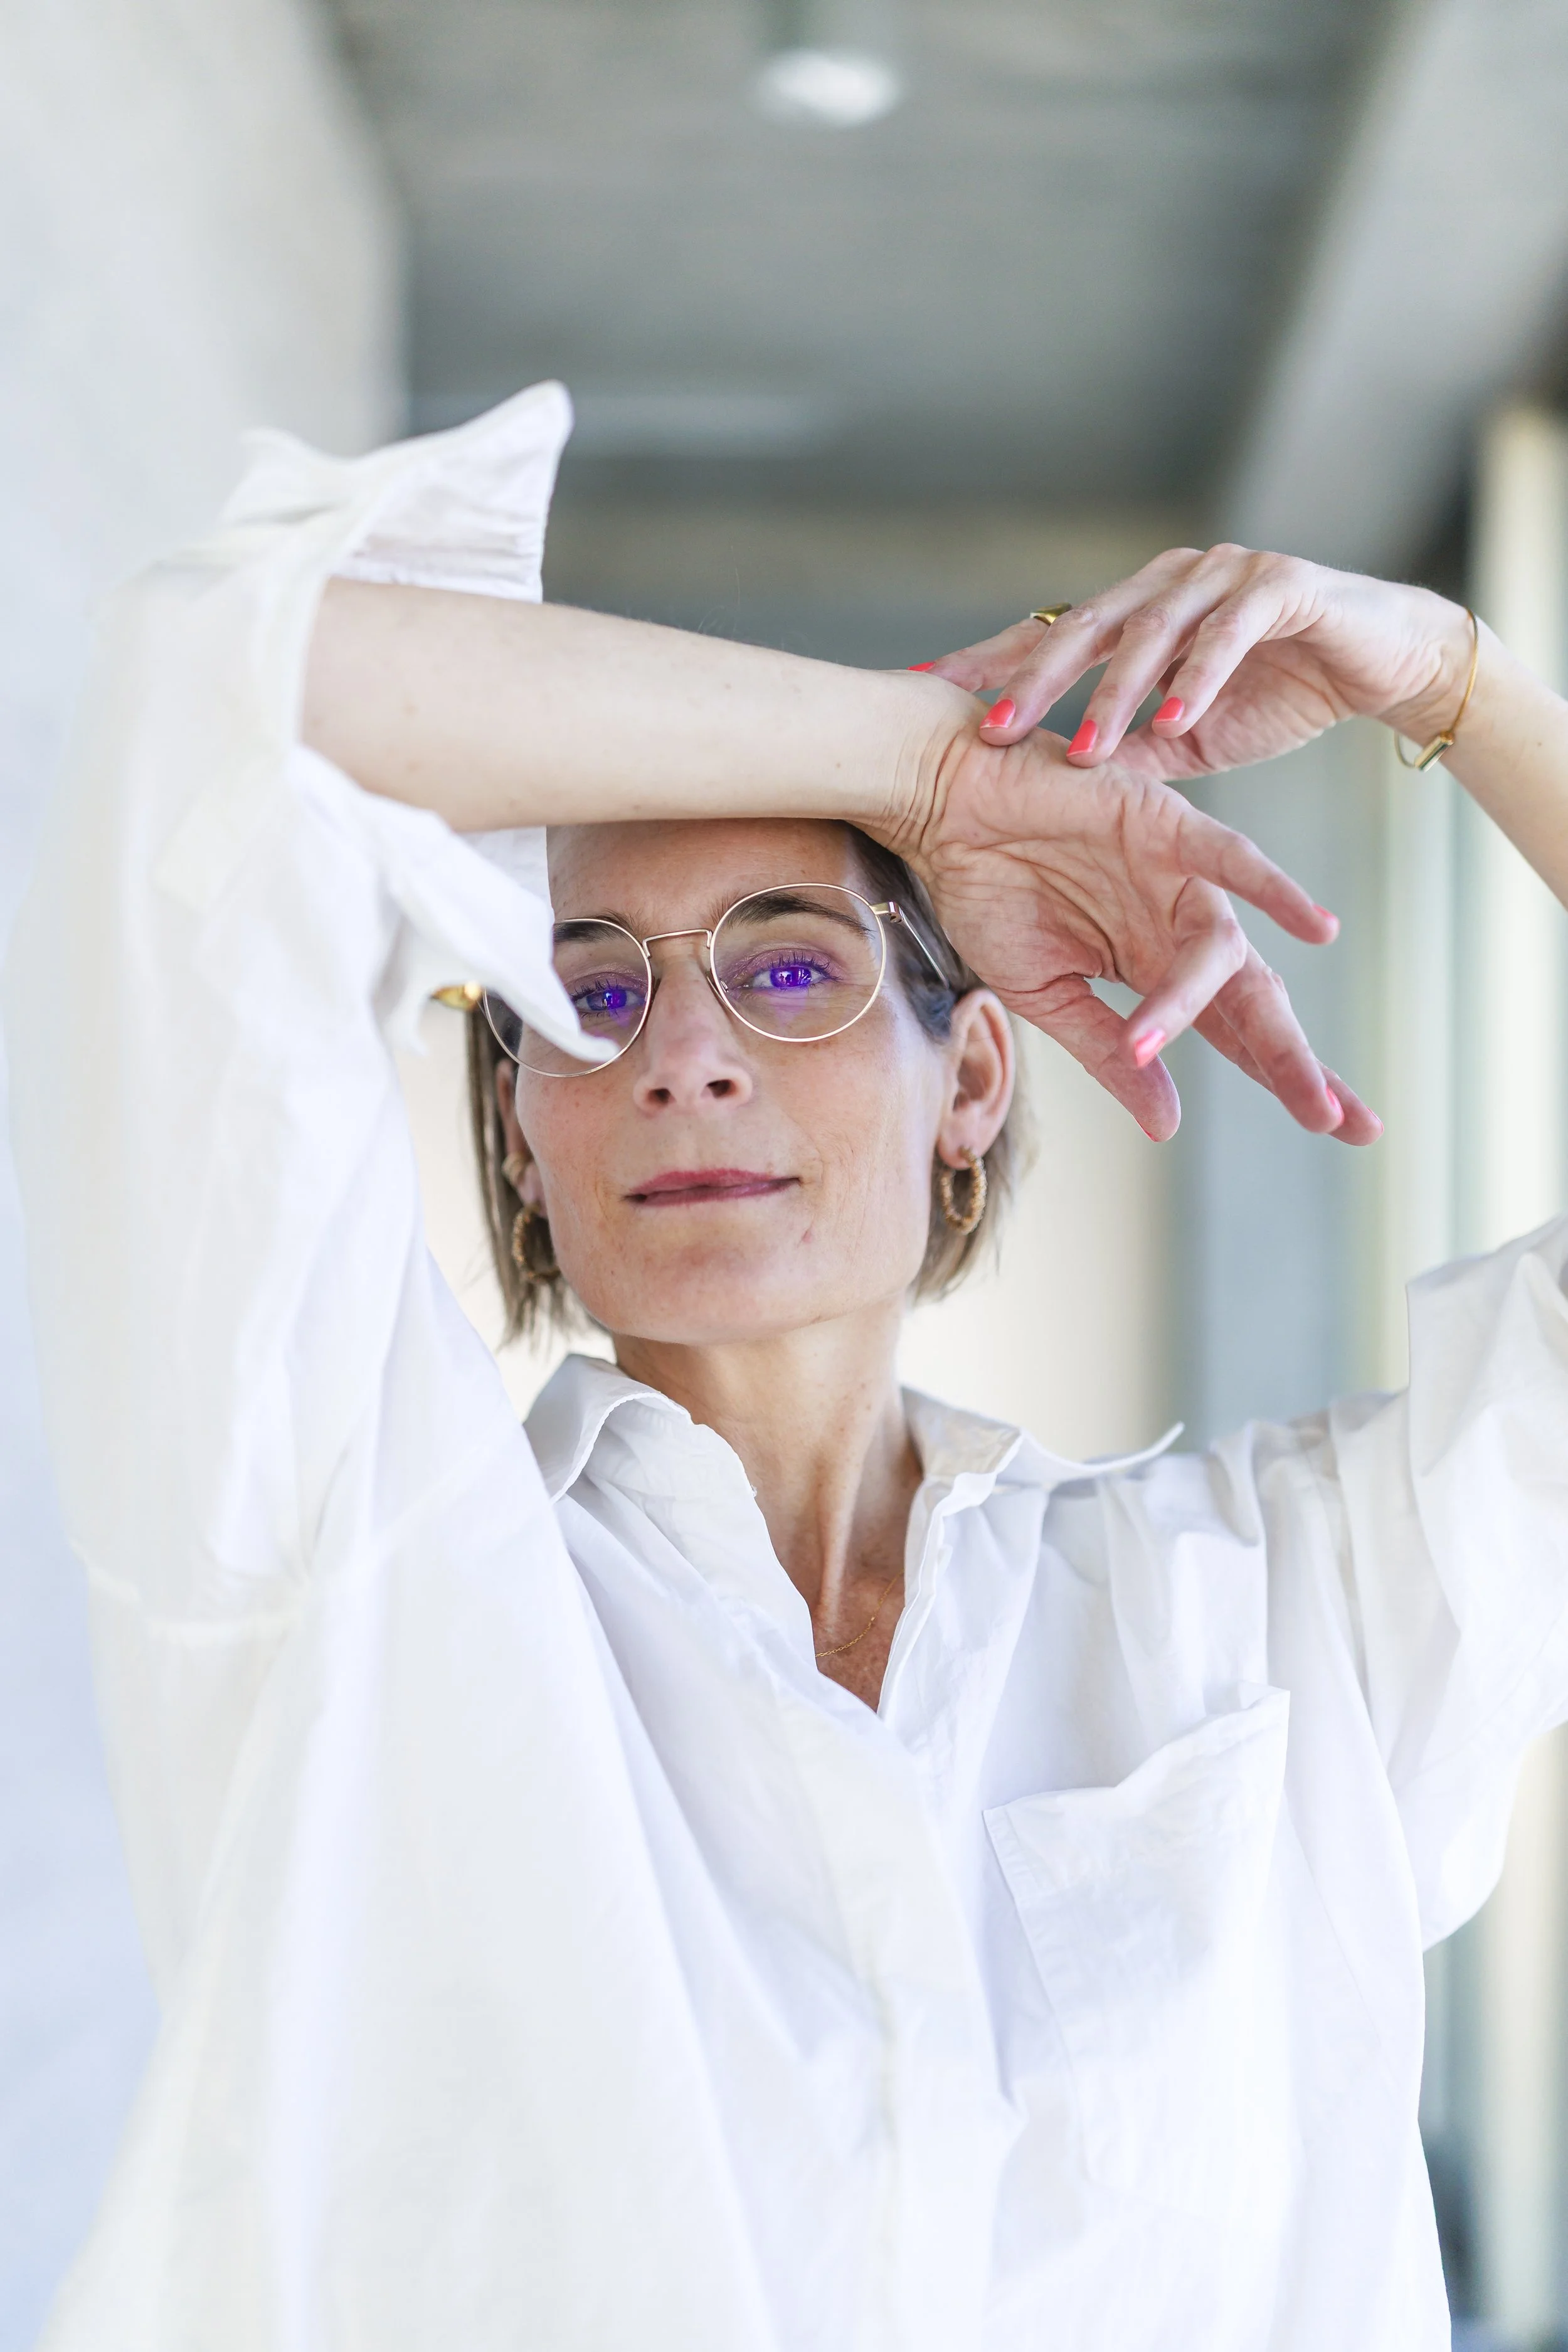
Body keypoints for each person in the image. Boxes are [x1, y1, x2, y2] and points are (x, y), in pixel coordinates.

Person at [8, 378, 1568, 2352]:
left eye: (791, 964)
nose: (683, 1055)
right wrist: (930, 776)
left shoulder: (1275, 1614)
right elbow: (222, 687)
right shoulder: (344, 1567)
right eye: (589, 990)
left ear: (970, 1078)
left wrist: (1455, 681)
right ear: (518, 1136)